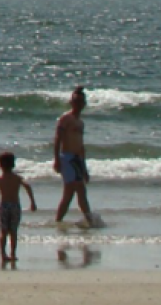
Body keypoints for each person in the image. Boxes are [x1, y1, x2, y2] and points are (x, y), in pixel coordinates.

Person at [0, 151, 37, 262]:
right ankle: (12, 254)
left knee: (4, 231)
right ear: (13, 164)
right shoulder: (17, 178)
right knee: (13, 231)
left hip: (4, 206)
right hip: (15, 206)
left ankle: (3, 254)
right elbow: (27, 186)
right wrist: (32, 202)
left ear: (0, 165)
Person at [52, 86, 95, 226]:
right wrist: (57, 159)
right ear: (71, 102)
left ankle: (58, 222)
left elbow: (81, 146)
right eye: (76, 101)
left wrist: (84, 168)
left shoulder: (80, 123)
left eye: (81, 102)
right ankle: (90, 220)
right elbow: (58, 139)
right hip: (67, 158)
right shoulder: (66, 118)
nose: (78, 104)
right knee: (80, 190)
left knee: (69, 194)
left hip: (77, 159)